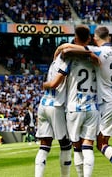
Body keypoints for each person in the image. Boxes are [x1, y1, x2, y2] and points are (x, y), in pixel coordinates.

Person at [55, 26, 112, 177]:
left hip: (110, 101)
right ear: (109, 38)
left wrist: (61, 47)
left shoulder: (99, 50)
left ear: (95, 39)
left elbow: (70, 48)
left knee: (101, 143)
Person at [43, 25, 100, 177]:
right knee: (88, 147)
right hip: (92, 106)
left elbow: (65, 50)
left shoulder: (69, 57)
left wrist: (46, 84)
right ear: (89, 39)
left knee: (76, 147)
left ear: (75, 38)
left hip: (74, 107)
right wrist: (90, 53)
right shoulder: (98, 54)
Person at [34, 34, 72, 177]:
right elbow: (56, 83)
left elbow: (58, 49)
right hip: (56, 106)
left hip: (43, 104)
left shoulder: (54, 61)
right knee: (65, 145)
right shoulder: (65, 63)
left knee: (44, 145)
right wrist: (46, 84)